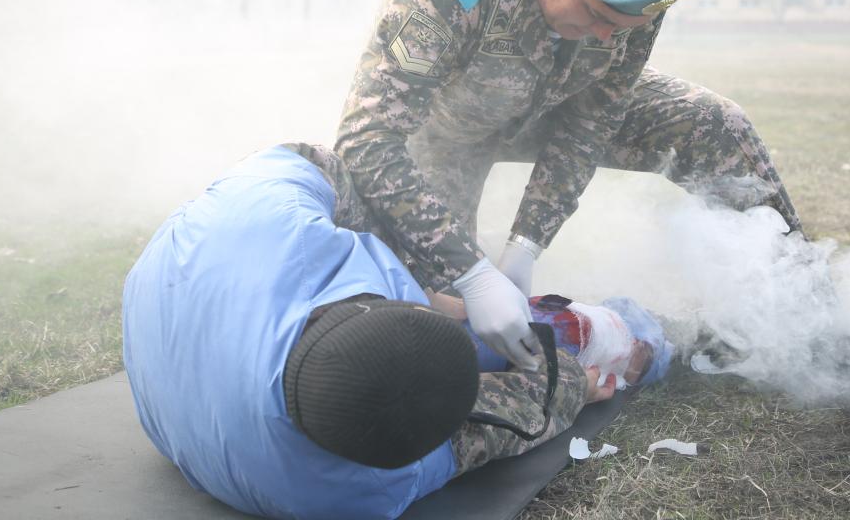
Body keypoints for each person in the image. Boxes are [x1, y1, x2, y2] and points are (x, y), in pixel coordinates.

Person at [335, 0, 801, 370]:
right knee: (428, 320)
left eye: (622, 27)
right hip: (449, 132)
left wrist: (526, 244)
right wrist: (470, 272)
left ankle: (799, 317)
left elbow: (591, 123)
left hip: (555, 100)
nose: (604, 36)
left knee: (713, 123)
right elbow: (368, 138)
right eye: (592, 11)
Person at [123, 143, 675, 520]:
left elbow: (316, 158)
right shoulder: (362, 488)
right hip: (217, 380)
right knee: (569, 345)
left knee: (482, 332)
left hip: (174, 332)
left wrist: (451, 287)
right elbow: (508, 419)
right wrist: (577, 383)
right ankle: (652, 340)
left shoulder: (264, 209)